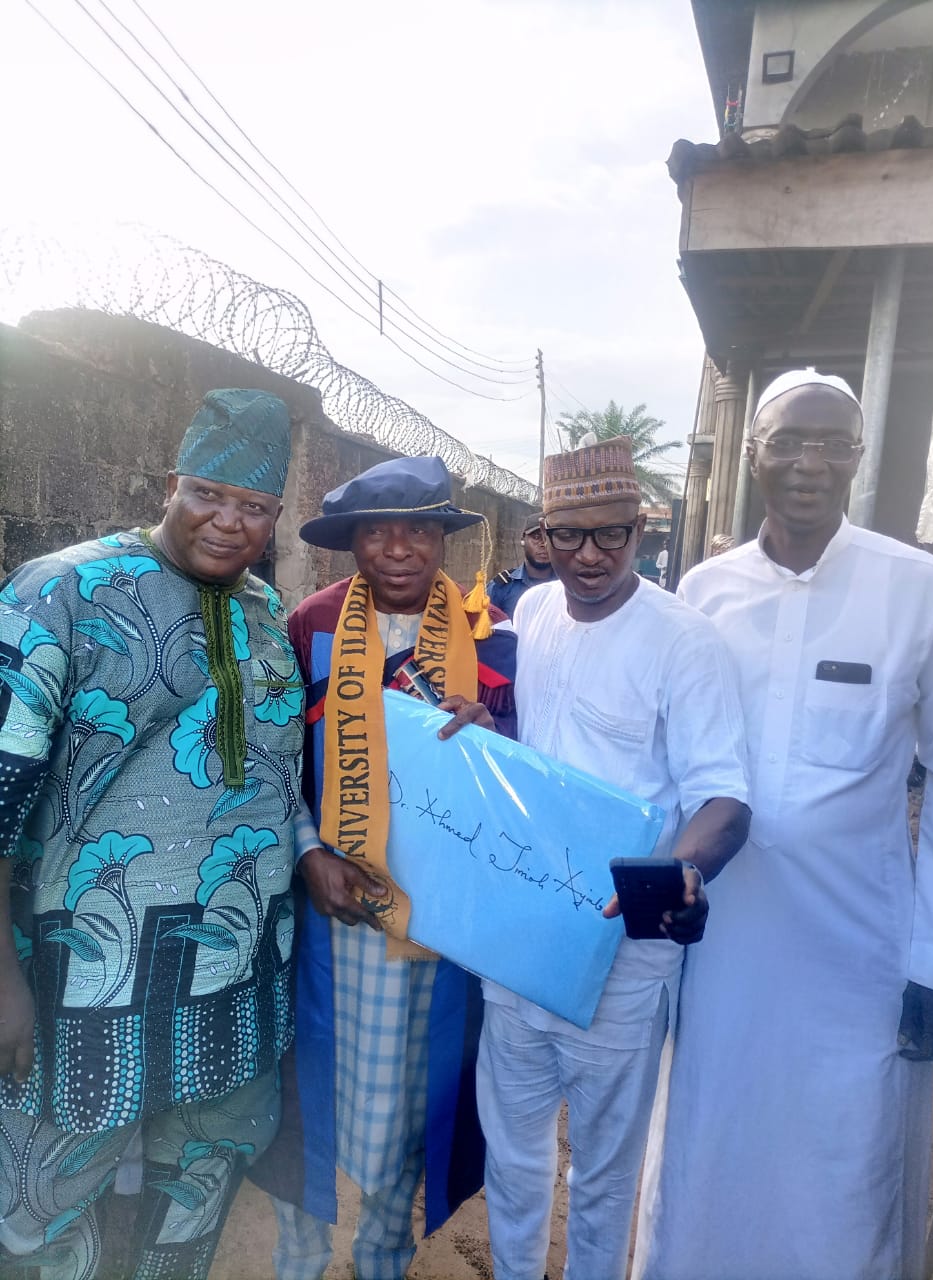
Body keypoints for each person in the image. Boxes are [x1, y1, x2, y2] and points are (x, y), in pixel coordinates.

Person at [637, 369, 933, 1280]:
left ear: (859, 459)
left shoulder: (926, 593)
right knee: (711, 1139)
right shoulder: (703, 592)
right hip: (723, 940)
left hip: (857, 950)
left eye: (833, 444)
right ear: (752, 454)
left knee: (843, 1165)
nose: (809, 464)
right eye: (787, 441)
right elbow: (670, 768)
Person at [0, 389, 301, 1279]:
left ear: (278, 515)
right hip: (81, 991)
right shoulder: (62, 590)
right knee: (45, 1218)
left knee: (192, 1207)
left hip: (234, 988)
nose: (228, 522)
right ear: (171, 482)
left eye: (254, 507)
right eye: (209, 493)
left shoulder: (265, 614)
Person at [475, 435, 751, 1280]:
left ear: (643, 531)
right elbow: (532, 744)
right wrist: (483, 731)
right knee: (513, 1158)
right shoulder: (533, 616)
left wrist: (681, 871)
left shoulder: (684, 640)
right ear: (540, 534)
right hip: (523, 934)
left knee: (601, 1173)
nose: (590, 556)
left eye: (613, 535)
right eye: (569, 536)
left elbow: (726, 802)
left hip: (624, 953)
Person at [250, 455, 517, 1280]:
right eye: (377, 531)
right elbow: (275, 764)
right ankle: (298, 1258)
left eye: (419, 529)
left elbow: (523, 785)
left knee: (412, 1099)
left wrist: (493, 738)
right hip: (336, 909)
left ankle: (381, 1259)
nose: (398, 548)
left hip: (434, 928)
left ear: (445, 540)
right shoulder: (311, 625)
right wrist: (308, 855)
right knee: (311, 1100)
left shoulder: (492, 639)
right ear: (350, 543)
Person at [486, 512, 555, 619]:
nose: (543, 544)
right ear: (523, 539)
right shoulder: (501, 587)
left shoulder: (568, 586)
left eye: (548, 538)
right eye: (536, 537)